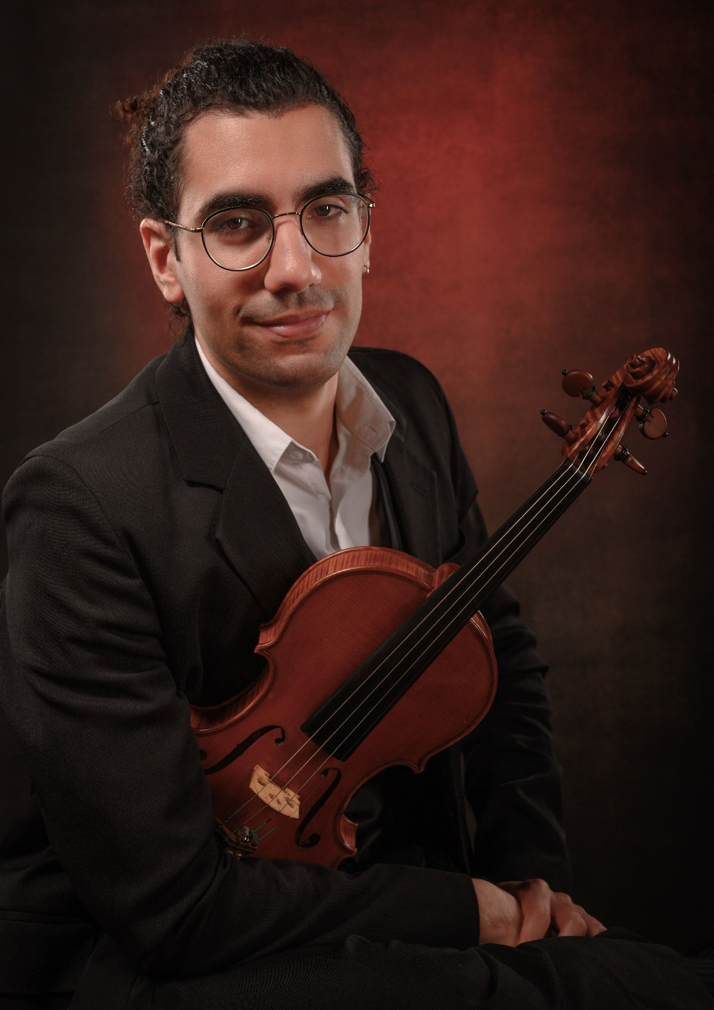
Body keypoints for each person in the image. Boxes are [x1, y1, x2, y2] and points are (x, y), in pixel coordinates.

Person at [0, 39, 711, 1010]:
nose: (295, 269)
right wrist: (474, 915)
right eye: (238, 224)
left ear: (366, 228)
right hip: (166, 956)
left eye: (327, 211)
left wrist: (534, 890)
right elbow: (170, 909)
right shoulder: (76, 505)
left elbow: (498, 654)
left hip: (392, 913)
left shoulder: (412, 403)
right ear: (167, 258)